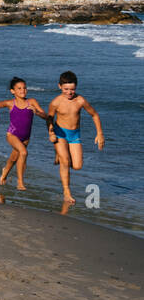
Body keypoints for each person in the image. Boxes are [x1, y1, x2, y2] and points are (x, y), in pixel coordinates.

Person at [46, 71, 105, 206]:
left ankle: (61, 155)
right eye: (66, 89)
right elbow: (49, 119)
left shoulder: (80, 101)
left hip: (74, 135)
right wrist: (50, 133)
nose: (69, 92)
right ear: (59, 86)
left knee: (77, 166)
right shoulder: (55, 102)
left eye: (72, 89)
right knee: (65, 162)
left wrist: (99, 133)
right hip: (59, 133)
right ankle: (66, 192)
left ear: (76, 87)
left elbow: (94, 115)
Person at [0, 76, 47, 192]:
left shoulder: (32, 102)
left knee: (14, 157)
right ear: (13, 91)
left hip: (26, 137)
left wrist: (36, 112)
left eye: (24, 88)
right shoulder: (11, 103)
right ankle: (20, 182)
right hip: (12, 134)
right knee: (23, 152)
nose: (23, 90)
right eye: (19, 88)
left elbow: (45, 116)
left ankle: (5, 172)